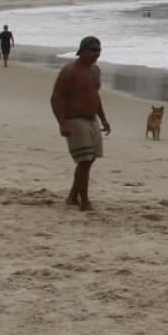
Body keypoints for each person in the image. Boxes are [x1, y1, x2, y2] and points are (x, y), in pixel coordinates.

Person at [50, 36, 110, 210]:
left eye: (99, 50)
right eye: (93, 50)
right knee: (84, 161)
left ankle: (72, 196)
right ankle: (84, 200)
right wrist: (62, 123)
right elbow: (56, 98)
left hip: (92, 119)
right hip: (74, 119)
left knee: (90, 160)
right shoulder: (70, 71)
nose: (96, 53)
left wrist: (104, 119)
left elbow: (95, 96)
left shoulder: (95, 71)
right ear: (82, 50)